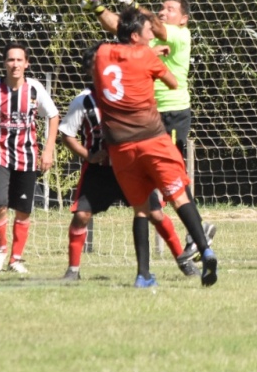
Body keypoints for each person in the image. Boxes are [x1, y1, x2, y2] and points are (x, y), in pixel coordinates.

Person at [82, 0, 215, 262]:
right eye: (162, 8)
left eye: (171, 10)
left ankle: (197, 232)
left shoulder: (178, 34)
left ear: (183, 19)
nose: (164, 13)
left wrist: (134, 4)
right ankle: (189, 236)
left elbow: (153, 27)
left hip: (172, 113)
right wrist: (98, 9)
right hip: (147, 120)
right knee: (156, 183)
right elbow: (120, 27)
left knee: (174, 175)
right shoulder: (147, 37)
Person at [59, 47, 198, 281]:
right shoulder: (83, 101)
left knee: (156, 214)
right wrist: (88, 155)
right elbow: (66, 134)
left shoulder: (128, 95)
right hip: (101, 172)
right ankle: (73, 270)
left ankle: (183, 262)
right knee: (82, 215)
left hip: (132, 166)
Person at [0, 42, 60, 274]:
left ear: (26, 63)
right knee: (0, 203)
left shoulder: (34, 89)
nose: (15, 64)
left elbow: (53, 115)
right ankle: (0, 250)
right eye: (11, 60)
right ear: (4, 63)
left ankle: (16, 259)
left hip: (27, 156)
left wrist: (48, 149)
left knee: (23, 209)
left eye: (19, 60)